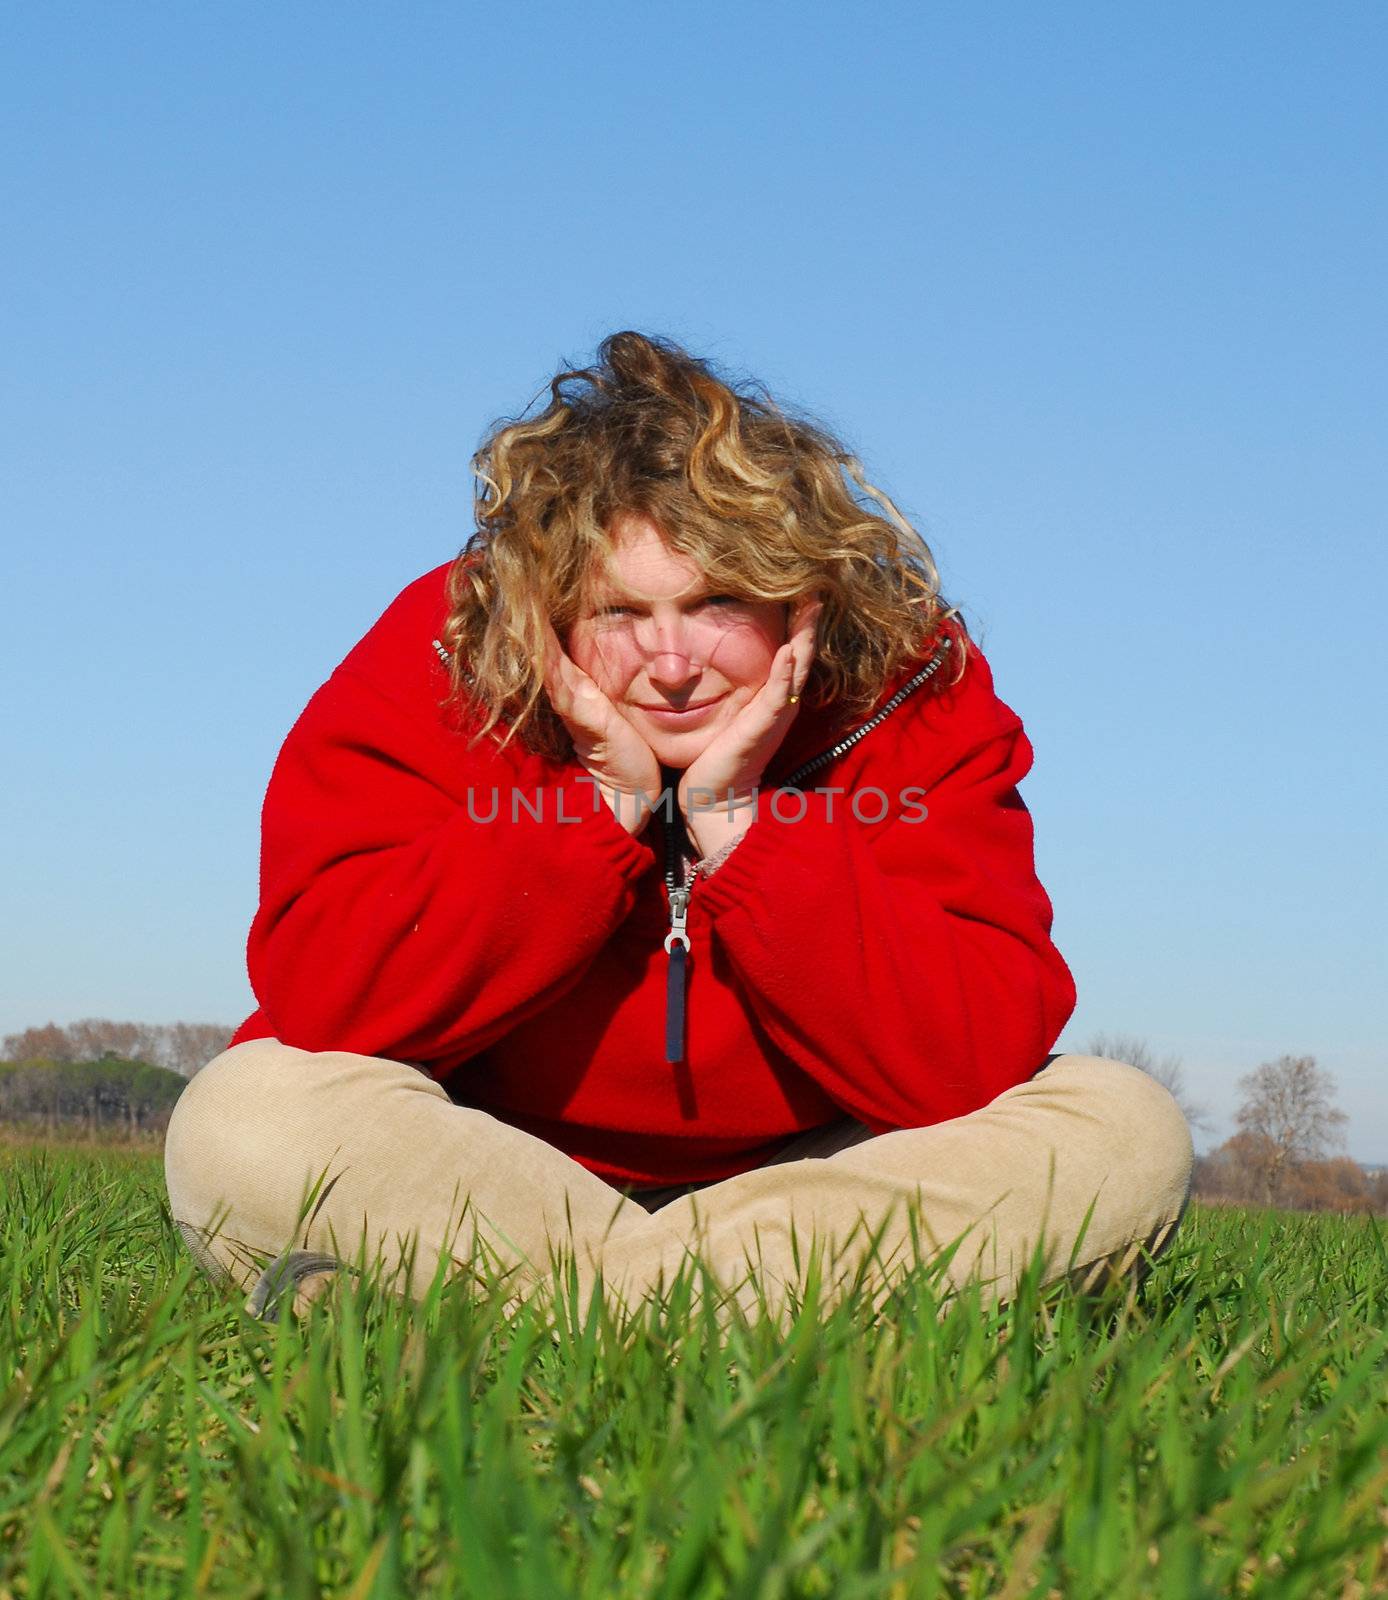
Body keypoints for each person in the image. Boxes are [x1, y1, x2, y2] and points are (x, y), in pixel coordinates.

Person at [165, 331, 1193, 1327]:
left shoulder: (914, 689)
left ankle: (532, 1304)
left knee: (1124, 1131)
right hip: (493, 1164)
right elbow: (323, 990)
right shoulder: (443, 651)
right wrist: (595, 815)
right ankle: (725, 1311)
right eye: (617, 612)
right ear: (548, 604)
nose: (669, 661)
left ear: (802, 594)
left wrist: (740, 827)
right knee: (240, 1120)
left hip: (819, 1177)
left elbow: (971, 1053)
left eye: (716, 602)